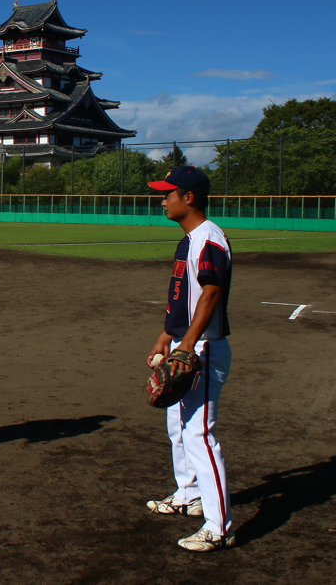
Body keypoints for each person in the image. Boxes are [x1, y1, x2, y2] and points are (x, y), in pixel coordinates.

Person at [145, 166, 234, 551]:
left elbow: (212, 292)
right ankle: (189, 495)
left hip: (203, 347)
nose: (162, 199)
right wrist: (167, 337)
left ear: (189, 197)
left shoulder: (209, 238)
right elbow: (185, 297)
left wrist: (188, 345)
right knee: (178, 427)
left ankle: (220, 526)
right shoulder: (188, 240)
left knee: (199, 433)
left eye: (168, 193)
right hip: (185, 342)